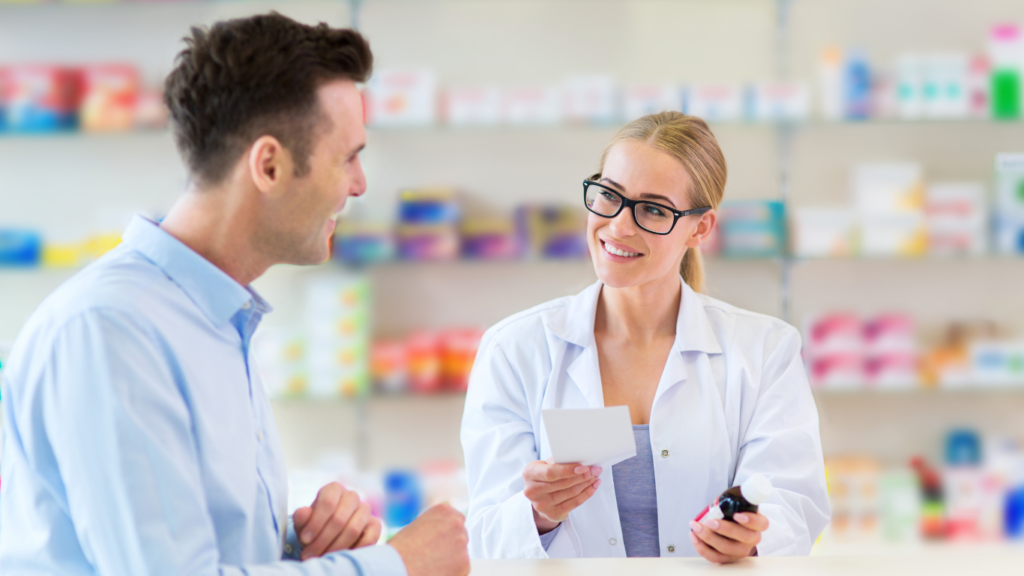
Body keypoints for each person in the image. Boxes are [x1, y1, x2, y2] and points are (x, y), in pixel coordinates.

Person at [0, 13, 469, 576]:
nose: (359, 184)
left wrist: (300, 545)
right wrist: (396, 566)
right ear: (269, 165)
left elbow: (190, 548)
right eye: (347, 157)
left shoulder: (217, 319)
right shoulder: (111, 329)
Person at [460, 112, 830, 563]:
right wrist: (537, 515)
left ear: (700, 228)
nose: (619, 225)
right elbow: (484, 535)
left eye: (653, 209)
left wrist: (752, 540)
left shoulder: (766, 351)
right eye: (609, 195)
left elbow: (794, 503)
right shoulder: (514, 350)